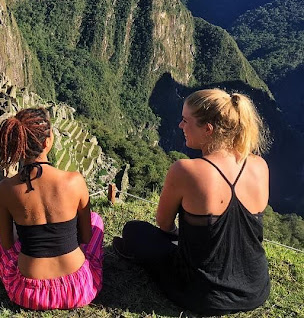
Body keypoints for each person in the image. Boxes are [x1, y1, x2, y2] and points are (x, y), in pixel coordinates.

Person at [113, 89, 270, 315]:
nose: (180, 126)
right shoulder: (259, 165)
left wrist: (179, 236)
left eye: (186, 121)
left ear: (208, 130)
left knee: (134, 231)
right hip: (255, 289)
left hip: (202, 295)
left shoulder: (186, 170)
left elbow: (164, 224)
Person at [0, 108, 103, 310]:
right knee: (95, 219)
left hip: (28, 292)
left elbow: (7, 243)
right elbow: (85, 236)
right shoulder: (75, 181)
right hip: (79, 287)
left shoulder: (6, 189)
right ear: (48, 142)